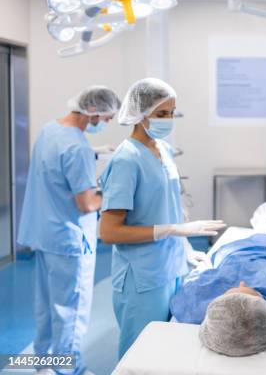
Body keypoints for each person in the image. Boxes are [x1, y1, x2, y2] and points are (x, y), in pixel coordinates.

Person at [98, 78, 226, 359]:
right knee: (141, 355)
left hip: (171, 266)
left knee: (167, 349)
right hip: (142, 278)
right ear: (139, 114)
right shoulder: (126, 160)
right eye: (161, 114)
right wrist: (173, 230)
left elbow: (167, 203)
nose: (168, 120)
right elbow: (108, 232)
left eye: (171, 113)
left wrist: (187, 249)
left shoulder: (163, 150)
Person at [17, 86, 121, 375]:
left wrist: (93, 153)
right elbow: (87, 203)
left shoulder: (51, 130)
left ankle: (44, 365)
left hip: (43, 235)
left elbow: (56, 162)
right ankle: (69, 369)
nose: (107, 124)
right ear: (95, 112)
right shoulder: (77, 148)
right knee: (70, 311)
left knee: (47, 308)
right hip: (68, 241)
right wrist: (113, 197)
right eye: (108, 118)